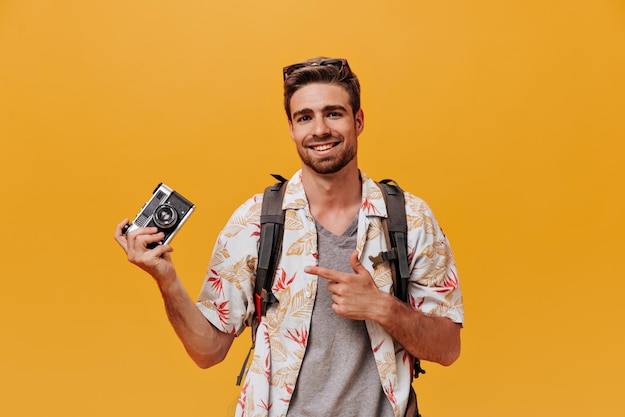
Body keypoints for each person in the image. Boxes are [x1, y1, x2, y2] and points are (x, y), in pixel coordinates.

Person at [114, 57, 464, 417]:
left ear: (358, 121)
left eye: (334, 113)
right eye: (305, 117)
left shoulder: (410, 219)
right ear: (292, 128)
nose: (320, 129)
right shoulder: (255, 221)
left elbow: (448, 348)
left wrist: (382, 308)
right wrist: (166, 278)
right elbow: (208, 352)